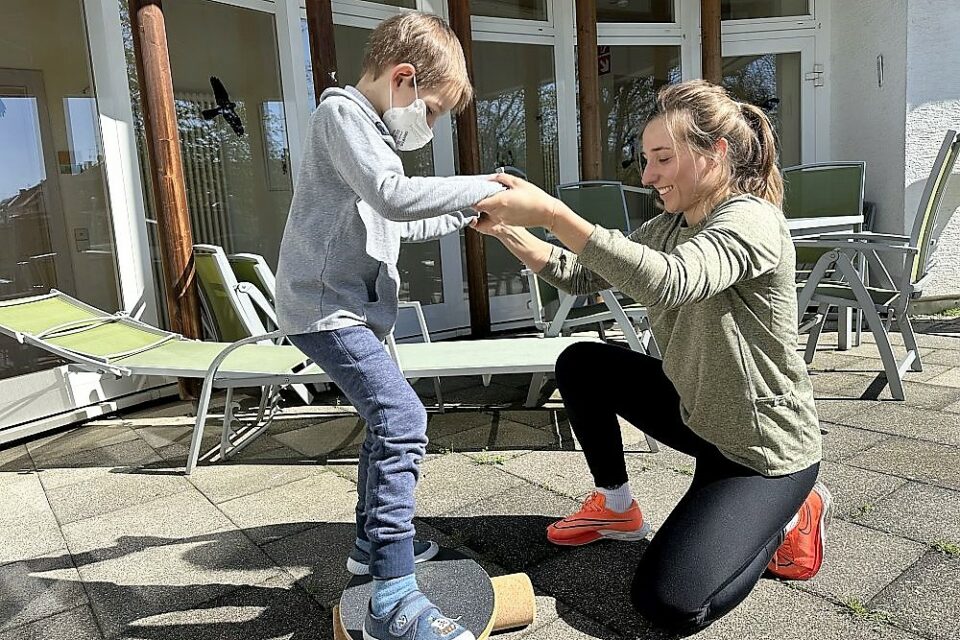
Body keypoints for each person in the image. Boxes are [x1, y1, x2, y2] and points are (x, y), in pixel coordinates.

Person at [473, 80, 831, 635]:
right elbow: (584, 273)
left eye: (663, 158)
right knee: (582, 361)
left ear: (717, 152)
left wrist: (552, 212)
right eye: (645, 159)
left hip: (761, 448)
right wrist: (509, 231)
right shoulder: (667, 225)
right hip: (698, 412)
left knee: (669, 604)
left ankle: (789, 514)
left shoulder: (751, 221)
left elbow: (672, 281)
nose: (647, 176)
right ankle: (616, 505)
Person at [274, 12, 502, 640]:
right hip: (325, 309)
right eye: (431, 111)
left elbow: (399, 221)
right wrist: (481, 184)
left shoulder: (371, 133)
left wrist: (469, 214)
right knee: (404, 419)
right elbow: (393, 196)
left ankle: (369, 553)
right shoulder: (343, 116)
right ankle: (394, 603)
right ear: (403, 79)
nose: (429, 126)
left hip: (355, 312)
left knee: (386, 423)